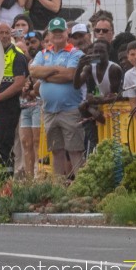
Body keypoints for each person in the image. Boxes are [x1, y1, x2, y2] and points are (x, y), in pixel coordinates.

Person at [29, 17, 84, 177]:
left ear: (67, 33)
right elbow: (33, 72)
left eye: (61, 31)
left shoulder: (75, 53)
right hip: (49, 111)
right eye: (55, 32)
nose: (58, 34)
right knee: (56, 150)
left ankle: (81, 187)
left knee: (75, 150)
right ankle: (58, 187)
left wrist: (45, 74)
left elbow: (69, 75)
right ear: (49, 34)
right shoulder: (42, 53)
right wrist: (55, 69)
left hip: (70, 110)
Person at [0, 22, 27, 172]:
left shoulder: (17, 54)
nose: (4, 36)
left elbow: (18, 84)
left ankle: (5, 183)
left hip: (7, 107)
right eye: (0, 33)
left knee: (4, 146)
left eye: (6, 33)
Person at [17, 31, 43, 177]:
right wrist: (26, 89)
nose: (31, 46)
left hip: (39, 105)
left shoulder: (45, 58)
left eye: (33, 42)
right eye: (28, 44)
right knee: (26, 142)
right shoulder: (29, 62)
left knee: (37, 141)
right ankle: (28, 178)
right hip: (26, 106)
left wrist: (32, 91)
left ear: (41, 42)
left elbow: (42, 83)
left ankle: (38, 175)